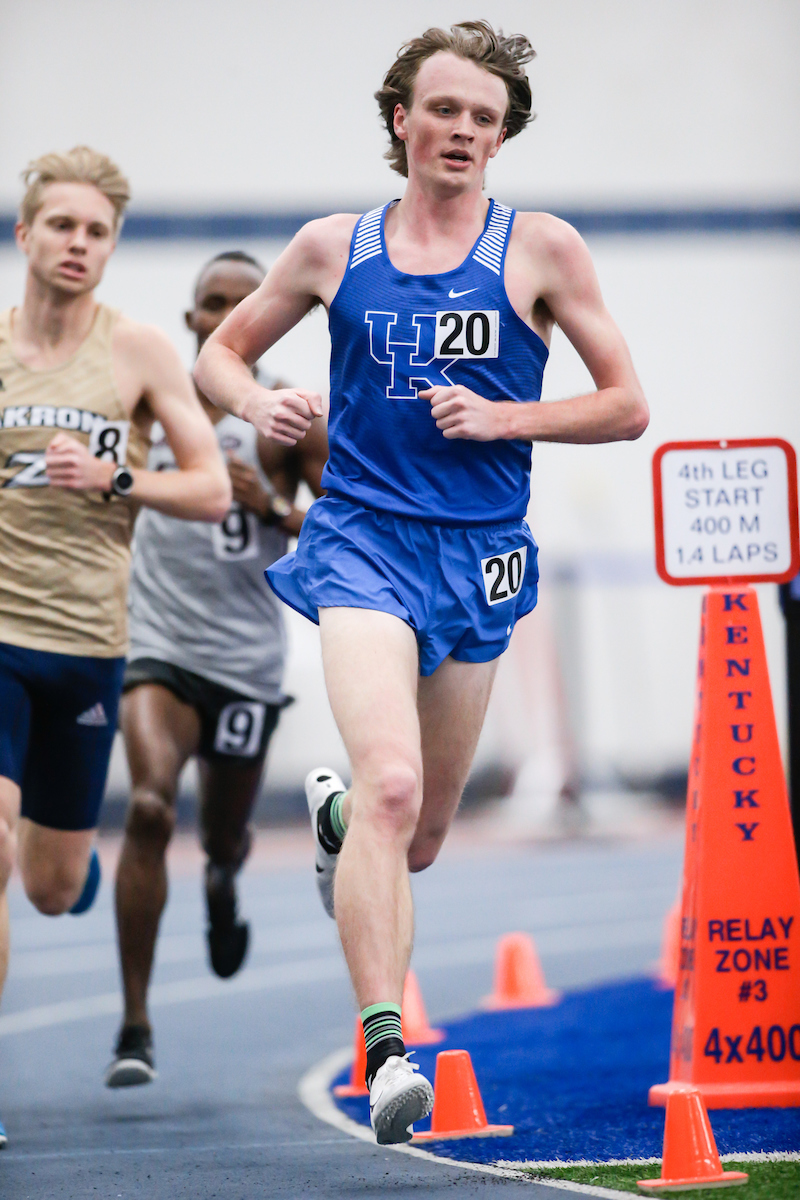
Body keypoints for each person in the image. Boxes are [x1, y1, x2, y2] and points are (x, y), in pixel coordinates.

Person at [194, 21, 649, 1144]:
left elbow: (625, 403)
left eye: (484, 120)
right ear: (400, 117)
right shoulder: (330, 247)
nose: (462, 133)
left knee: (421, 830)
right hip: (361, 538)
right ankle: (388, 1050)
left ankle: (341, 823)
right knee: (394, 783)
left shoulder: (539, 249)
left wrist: (506, 414)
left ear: (502, 140)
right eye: (444, 110)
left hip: (479, 554)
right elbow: (219, 354)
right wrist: (257, 406)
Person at [0, 147, 231, 1143]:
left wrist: (116, 484)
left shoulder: (136, 351)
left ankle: (69, 861)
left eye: (97, 231)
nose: (78, 244)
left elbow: (212, 485)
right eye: (63, 225)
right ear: (27, 233)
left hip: (88, 645)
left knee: (51, 889)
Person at [105, 250, 328, 1087]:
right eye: (213, 301)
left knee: (224, 834)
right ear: (194, 320)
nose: (229, 311)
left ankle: (223, 883)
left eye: (246, 300)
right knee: (153, 808)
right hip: (159, 643)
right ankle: (135, 1023)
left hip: (245, 660)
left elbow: (346, 521)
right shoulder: (149, 409)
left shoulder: (289, 420)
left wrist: (269, 505)